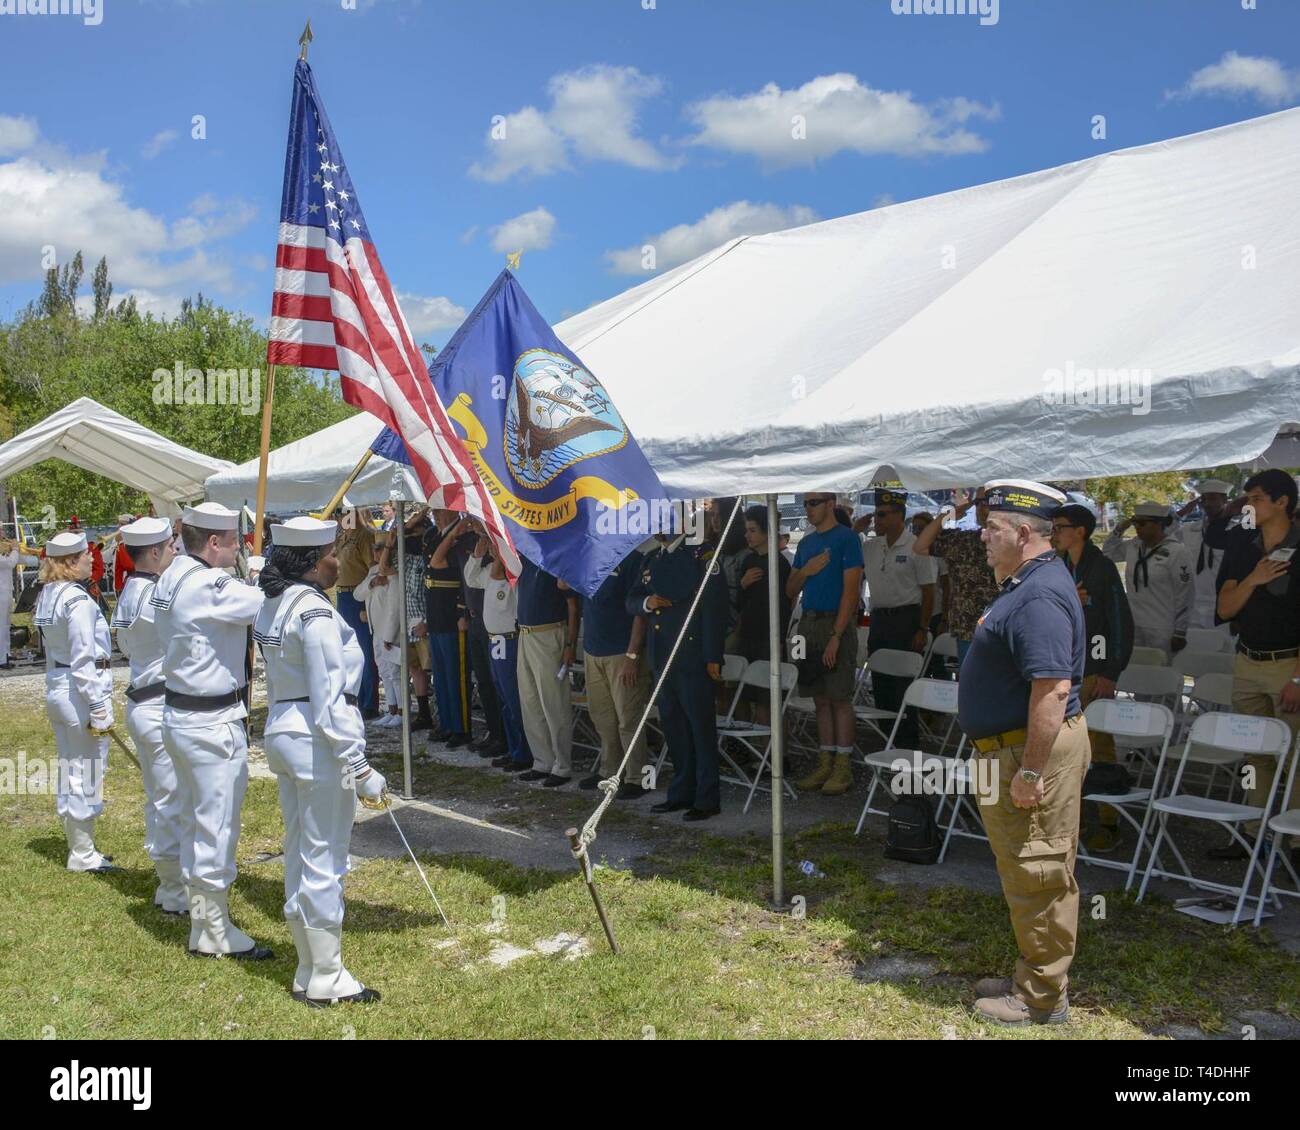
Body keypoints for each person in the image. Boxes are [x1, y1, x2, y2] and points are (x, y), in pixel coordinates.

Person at [959, 480, 1088, 1027]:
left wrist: (1031, 770)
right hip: (1006, 751)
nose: (982, 537)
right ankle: (1033, 974)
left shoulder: (1037, 593)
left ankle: (1040, 997)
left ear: (1024, 531)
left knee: (1039, 869)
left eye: (990, 527)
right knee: (1024, 868)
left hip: (1026, 755)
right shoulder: (1025, 582)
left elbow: (1053, 689)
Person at [255, 516, 385, 1006]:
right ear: (312, 564)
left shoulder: (275, 602)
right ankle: (328, 974)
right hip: (315, 737)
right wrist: (359, 764)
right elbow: (330, 699)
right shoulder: (312, 611)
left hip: (285, 730)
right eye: (332, 554)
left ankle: (309, 966)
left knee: (300, 851)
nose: (338, 561)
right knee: (326, 857)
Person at [152, 501, 271, 960]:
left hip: (180, 714)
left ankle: (204, 917)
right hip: (211, 720)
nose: (241, 548)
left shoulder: (173, 574)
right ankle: (212, 929)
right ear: (216, 542)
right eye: (236, 541)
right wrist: (258, 577)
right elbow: (261, 606)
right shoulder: (209, 583)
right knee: (216, 827)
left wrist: (246, 577)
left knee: (192, 820)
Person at [1212, 469, 1300, 867]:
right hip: (1248, 660)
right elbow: (1225, 606)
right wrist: (1254, 578)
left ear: (1282, 502)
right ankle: (1253, 835)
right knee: (1255, 756)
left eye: (1257, 498)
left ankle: (1296, 843)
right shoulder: (1245, 544)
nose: (1249, 505)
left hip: (1290, 664)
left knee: (1296, 758)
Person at [110, 516, 187, 914]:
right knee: (170, 799)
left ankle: (169, 882)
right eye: (171, 548)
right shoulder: (156, 596)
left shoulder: (129, 592)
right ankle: (175, 889)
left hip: (144, 699)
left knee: (160, 798)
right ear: (154, 552)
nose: (175, 553)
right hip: (157, 703)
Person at [1051, 502, 1134, 853]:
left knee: (1099, 747)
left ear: (1080, 531)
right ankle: (1070, 818)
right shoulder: (1057, 566)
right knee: (1062, 750)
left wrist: (1110, 672)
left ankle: (1108, 821)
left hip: (1093, 670)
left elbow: (1120, 622)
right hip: (1063, 669)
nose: (1053, 533)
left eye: (1060, 527)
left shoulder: (1100, 569)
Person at [34, 530, 118, 873]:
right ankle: (82, 855)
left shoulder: (48, 595)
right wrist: (98, 706)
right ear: (71, 562)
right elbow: (84, 661)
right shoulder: (78, 601)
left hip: (59, 684)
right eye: (86, 555)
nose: (92, 559)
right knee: (87, 769)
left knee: (71, 767)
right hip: (78, 689)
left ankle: (80, 846)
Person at [628, 529, 727, 819]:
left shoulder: (701, 554)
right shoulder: (651, 559)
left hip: (691, 656)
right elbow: (632, 599)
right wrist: (649, 603)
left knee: (700, 728)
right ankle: (681, 792)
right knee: (674, 727)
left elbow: (713, 608)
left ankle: (707, 798)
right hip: (661, 656)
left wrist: (712, 657)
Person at [787, 491, 864, 796]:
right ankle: (825, 761)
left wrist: (837, 635)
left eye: (814, 502)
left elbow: (851, 591)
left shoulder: (847, 538)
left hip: (836, 621)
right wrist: (806, 570)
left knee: (839, 696)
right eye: (806, 503)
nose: (808, 508)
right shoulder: (805, 544)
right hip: (808, 622)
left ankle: (842, 766)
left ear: (830, 505)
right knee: (818, 696)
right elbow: (790, 589)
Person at [571, 544, 651, 799]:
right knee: (602, 717)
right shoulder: (589, 556)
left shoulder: (633, 559)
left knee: (628, 718)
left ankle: (638, 778)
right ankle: (609, 770)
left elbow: (640, 612)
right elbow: (567, 587)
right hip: (594, 649)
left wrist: (632, 654)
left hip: (621, 651)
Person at [860, 488, 937, 752]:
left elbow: (929, 591)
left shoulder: (917, 547)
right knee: (881, 685)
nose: (876, 520)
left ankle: (908, 745)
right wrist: (853, 527)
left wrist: (922, 627)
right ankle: (889, 745)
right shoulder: (870, 546)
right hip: (880, 620)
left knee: (903, 687)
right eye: (875, 514)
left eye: (881, 514)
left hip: (907, 619)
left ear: (898, 516)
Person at [466, 539, 532, 774]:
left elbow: (501, 591)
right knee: (503, 698)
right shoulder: (491, 574)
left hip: (508, 640)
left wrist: (500, 558)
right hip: (494, 641)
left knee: (513, 699)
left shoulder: (511, 579)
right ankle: (512, 748)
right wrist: (478, 554)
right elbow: (471, 578)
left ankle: (524, 752)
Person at [913, 488, 999, 668]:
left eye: (987, 502)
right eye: (978, 503)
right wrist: (947, 516)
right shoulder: (963, 540)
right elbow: (920, 546)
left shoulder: (1014, 543)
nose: (981, 508)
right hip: (966, 631)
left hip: (1000, 633)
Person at [515, 554, 580, 786]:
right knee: (531, 701)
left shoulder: (556, 559)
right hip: (525, 633)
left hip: (549, 632)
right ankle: (542, 760)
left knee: (553, 703)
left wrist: (570, 645)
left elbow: (572, 606)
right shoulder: (525, 559)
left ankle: (562, 765)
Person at [1103, 501, 1193, 661]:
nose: (1137, 527)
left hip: (1162, 626)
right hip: (1134, 622)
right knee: (1134, 670)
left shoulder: (1177, 552)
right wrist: (1119, 529)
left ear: (1158, 524)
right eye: (1135, 522)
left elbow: (1185, 595)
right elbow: (1108, 554)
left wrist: (1180, 631)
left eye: (1142, 523)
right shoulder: (1134, 546)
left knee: (1160, 674)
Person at [736, 504, 793, 729]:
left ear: (766, 531)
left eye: (752, 530)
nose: (747, 535)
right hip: (748, 636)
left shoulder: (779, 563)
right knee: (750, 699)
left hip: (769, 639)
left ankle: (779, 756)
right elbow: (740, 603)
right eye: (746, 530)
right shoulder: (748, 561)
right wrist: (742, 584)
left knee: (770, 701)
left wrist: (779, 638)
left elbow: (785, 603)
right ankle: (759, 754)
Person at [422, 510, 472, 749]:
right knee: (440, 676)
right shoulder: (433, 536)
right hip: (435, 615)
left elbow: (464, 581)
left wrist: (462, 611)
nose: (436, 513)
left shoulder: (461, 540)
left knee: (456, 676)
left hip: (451, 614)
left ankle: (461, 727)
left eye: (441, 507)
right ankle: (446, 723)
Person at [458, 520, 506, 758]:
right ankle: (494, 733)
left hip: (498, 631)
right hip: (478, 622)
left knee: (499, 685)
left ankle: (504, 736)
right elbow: (470, 578)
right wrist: (478, 553)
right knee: (485, 682)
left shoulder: (503, 563)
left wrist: (493, 551)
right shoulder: (481, 557)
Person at [1173, 479, 1234, 640]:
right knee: (1193, 656)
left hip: (1222, 606)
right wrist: (1182, 512)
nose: (1207, 504)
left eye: (1213, 498)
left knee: (1224, 658)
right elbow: (1164, 533)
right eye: (1204, 499)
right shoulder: (1189, 529)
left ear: (1225, 500)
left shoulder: (1236, 530)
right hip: (1193, 606)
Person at [333, 509, 380, 720]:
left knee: (365, 650)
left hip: (358, 595)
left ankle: (369, 701)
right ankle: (356, 696)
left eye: (341, 512)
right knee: (348, 649)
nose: (338, 517)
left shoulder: (364, 536)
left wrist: (366, 604)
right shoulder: (343, 536)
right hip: (343, 595)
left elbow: (373, 569)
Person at [354, 536, 403, 729]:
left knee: (396, 674)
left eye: (380, 549)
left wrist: (390, 636)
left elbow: (394, 609)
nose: (376, 553)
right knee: (384, 672)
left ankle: (401, 711)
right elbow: (357, 593)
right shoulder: (373, 571)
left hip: (390, 632)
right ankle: (391, 710)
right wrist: (372, 583)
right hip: (375, 630)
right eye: (375, 549)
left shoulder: (394, 575)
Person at [0, 531, 37, 668]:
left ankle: (5, 654)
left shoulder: (2, 547)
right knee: (1, 626)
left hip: (5, 592)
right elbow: (9, 563)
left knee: (5, 625)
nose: (3, 533)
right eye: (0, 530)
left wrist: (35, 557)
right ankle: (1, 659)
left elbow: (18, 560)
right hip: (1, 593)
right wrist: (15, 548)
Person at [911, 513, 949, 639]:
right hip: (915, 613)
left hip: (935, 613)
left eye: (920, 528)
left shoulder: (939, 552)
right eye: (914, 528)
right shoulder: (912, 549)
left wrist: (944, 619)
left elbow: (947, 587)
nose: (916, 532)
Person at [113, 515, 136, 594]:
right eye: (119, 524)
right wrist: (118, 587)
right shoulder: (119, 543)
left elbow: (129, 565)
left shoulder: (123, 545)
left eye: (122, 524)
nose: (119, 527)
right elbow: (118, 568)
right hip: (127, 583)